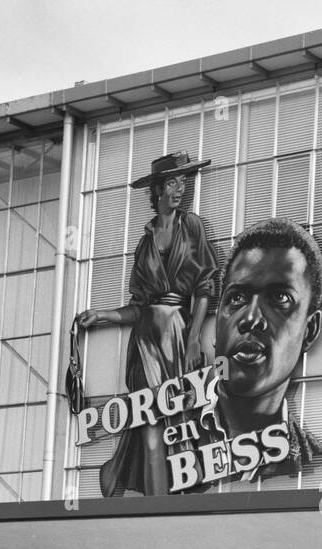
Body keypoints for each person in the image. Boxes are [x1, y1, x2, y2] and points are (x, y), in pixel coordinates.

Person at [76, 151, 222, 496]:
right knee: (150, 419)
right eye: (172, 182)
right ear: (157, 190)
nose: (179, 190)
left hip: (177, 335)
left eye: (183, 183)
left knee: (180, 418)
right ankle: (157, 504)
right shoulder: (144, 244)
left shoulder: (193, 227)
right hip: (144, 343)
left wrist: (193, 338)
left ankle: (176, 495)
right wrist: (104, 316)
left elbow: (204, 287)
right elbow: (138, 306)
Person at [209, 218, 322, 482]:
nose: (251, 319)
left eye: (279, 298)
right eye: (237, 298)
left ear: (309, 331)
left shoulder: (316, 466)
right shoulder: (162, 443)